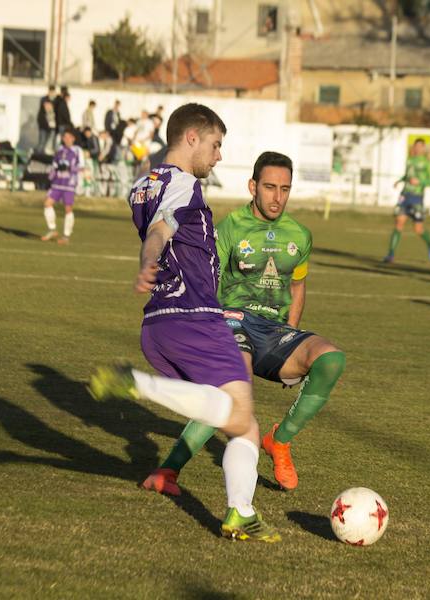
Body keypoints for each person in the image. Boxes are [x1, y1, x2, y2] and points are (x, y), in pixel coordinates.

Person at [88, 103, 280, 543]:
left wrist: (151, 264)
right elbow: (161, 229)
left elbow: (157, 223)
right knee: (241, 414)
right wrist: (148, 259)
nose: (218, 156)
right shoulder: (182, 183)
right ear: (190, 138)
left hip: (159, 322)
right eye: (215, 145)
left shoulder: (141, 184)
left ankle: (241, 513)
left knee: (236, 418)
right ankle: (137, 385)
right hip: (195, 315)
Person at [141, 151, 346, 494]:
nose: (277, 197)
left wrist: (292, 330)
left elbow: (297, 286)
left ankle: (279, 441)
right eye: (269, 187)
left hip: (274, 331)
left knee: (331, 359)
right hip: (231, 321)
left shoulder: (300, 235)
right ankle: (168, 471)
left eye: (284, 189)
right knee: (234, 391)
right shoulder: (229, 228)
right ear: (253, 186)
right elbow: (207, 281)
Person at [383, 138, 430, 263]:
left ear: (423, 148)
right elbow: (408, 175)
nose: (417, 149)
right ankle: (391, 254)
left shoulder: (427, 163)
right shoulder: (410, 160)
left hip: (417, 197)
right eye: (415, 146)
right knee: (399, 222)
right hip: (405, 195)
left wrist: (420, 182)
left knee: (418, 229)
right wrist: (400, 180)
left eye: (420, 147)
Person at [40, 129, 82, 244]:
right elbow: (54, 165)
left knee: (68, 209)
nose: (66, 139)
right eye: (65, 137)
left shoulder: (77, 150)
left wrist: (69, 168)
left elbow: (81, 167)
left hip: (69, 184)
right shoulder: (59, 150)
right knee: (47, 203)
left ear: (73, 138)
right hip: (57, 183)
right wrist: (50, 178)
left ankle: (66, 236)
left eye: (69, 137)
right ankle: (52, 229)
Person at [36, 86, 57, 153]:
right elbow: (48, 112)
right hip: (44, 125)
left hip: (49, 126)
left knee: (45, 143)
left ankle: (41, 155)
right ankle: (38, 156)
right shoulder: (45, 100)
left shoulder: (52, 100)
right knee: (42, 142)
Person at [53, 87, 73, 151]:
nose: (69, 99)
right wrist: (70, 123)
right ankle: (60, 151)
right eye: (69, 97)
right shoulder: (62, 104)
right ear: (66, 97)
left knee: (62, 139)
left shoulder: (61, 103)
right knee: (63, 139)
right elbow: (65, 115)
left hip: (62, 124)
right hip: (63, 125)